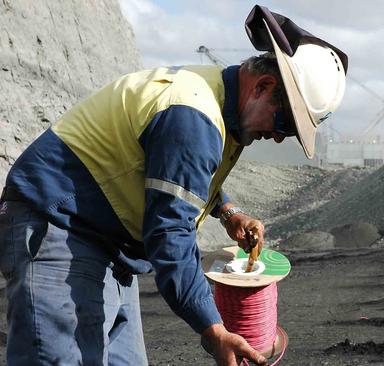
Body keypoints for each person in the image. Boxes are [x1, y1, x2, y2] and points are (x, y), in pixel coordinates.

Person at [0, 6, 347, 366]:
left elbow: (176, 170)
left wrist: (227, 212)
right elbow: (169, 232)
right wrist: (213, 329)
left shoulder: (216, 101)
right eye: (284, 124)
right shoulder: (192, 115)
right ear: (263, 86)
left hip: (106, 241)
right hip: (58, 224)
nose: (277, 138)